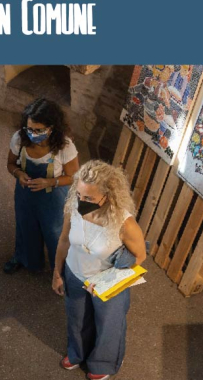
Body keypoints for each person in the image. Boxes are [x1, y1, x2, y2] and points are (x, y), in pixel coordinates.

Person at [52, 160, 147, 380]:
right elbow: (64, 240)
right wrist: (57, 273)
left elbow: (140, 256)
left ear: (108, 196)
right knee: (77, 319)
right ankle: (77, 353)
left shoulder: (125, 224)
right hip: (74, 274)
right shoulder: (73, 208)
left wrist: (108, 281)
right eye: (79, 195)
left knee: (108, 326)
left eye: (89, 198)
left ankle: (103, 363)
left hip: (107, 284)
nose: (81, 202)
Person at [4, 97, 80, 274]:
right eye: (30, 129)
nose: (33, 134)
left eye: (39, 130)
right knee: (25, 227)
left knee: (55, 233)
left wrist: (50, 181)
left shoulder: (64, 146)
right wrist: (18, 173)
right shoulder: (19, 139)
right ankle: (25, 259)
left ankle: (60, 271)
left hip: (53, 198)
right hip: (25, 194)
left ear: (52, 128)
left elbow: (74, 177)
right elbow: (10, 164)